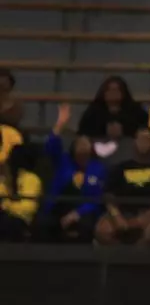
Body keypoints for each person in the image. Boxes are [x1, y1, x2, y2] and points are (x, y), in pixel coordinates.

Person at [95, 127, 150, 245]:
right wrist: (117, 216)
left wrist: (144, 218)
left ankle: (138, 256)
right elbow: (108, 196)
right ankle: (121, 257)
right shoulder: (121, 168)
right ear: (134, 142)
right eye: (140, 139)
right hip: (123, 213)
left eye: (147, 139)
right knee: (102, 230)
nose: (143, 143)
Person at [43, 104, 106, 242]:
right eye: (80, 142)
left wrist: (77, 213)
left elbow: (97, 198)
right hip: (59, 206)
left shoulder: (98, 168)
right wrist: (60, 124)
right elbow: (50, 146)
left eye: (86, 142)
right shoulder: (63, 161)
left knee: (86, 223)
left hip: (84, 211)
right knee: (45, 223)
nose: (83, 145)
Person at [78, 75, 143, 142]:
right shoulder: (93, 111)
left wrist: (125, 130)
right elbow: (83, 132)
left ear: (123, 93)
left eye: (117, 90)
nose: (113, 93)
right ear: (104, 93)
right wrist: (104, 130)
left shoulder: (134, 110)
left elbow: (143, 128)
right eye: (109, 90)